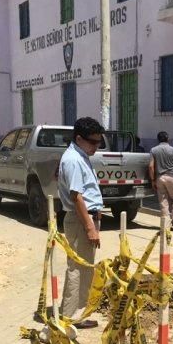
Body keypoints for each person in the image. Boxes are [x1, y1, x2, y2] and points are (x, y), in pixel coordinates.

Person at [58, 117, 105, 329]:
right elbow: (76, 196)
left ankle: (79, 313)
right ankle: (71, 317)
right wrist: (89, 227)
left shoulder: (80, 156)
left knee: (85, 268)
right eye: (93, 142)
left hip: (85, 218)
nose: (97, 146)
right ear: (79, 139)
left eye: (99, 142)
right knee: (77, 268)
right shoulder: (74, 160)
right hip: (80, 221)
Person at [149, 131, 173, 231]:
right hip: (172, 178)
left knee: (163, 201)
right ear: (168, 138)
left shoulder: (153, 150)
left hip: (160, 178)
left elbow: (151, 166)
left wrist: (152, 180)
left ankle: (166, 223)